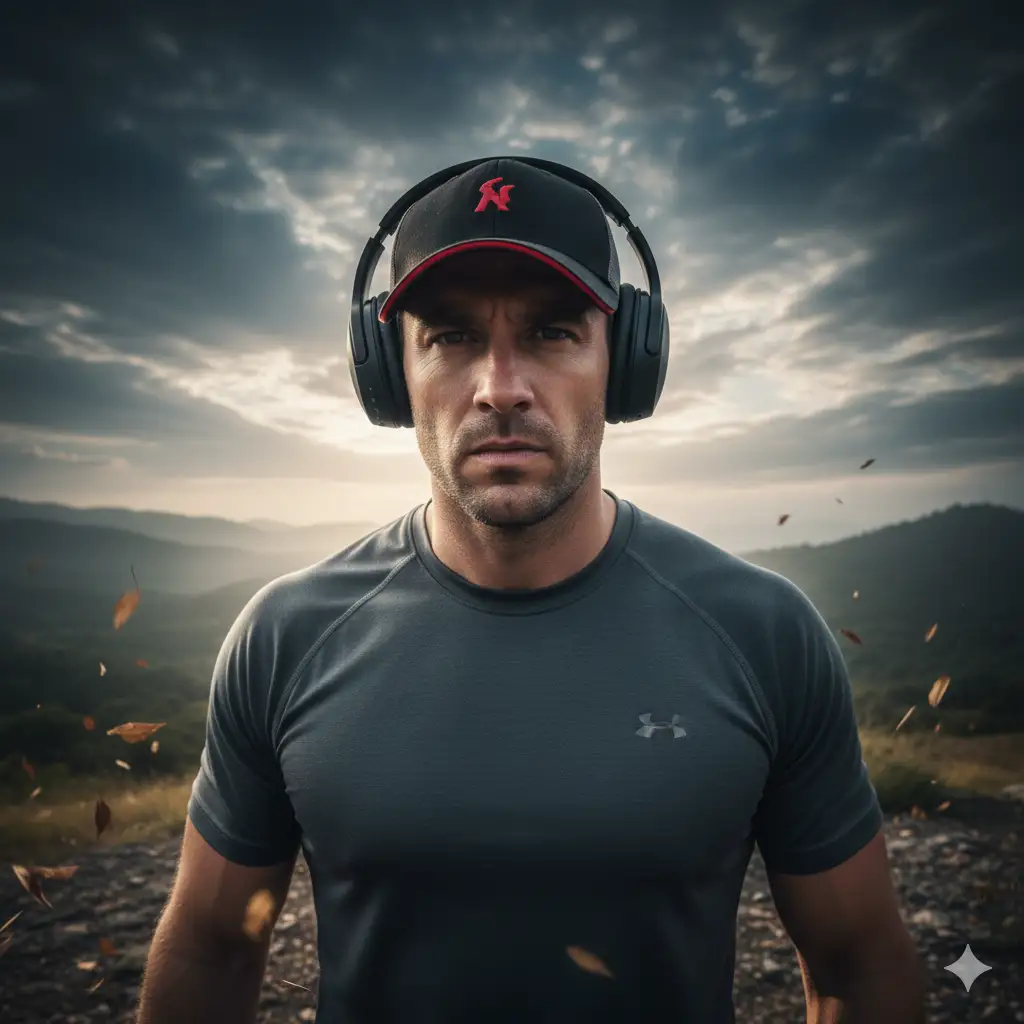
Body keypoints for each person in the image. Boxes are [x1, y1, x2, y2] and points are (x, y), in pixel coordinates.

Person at [135, 158, 925, 1023]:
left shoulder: (765, 633)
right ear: (387, 371)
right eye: (449, 335)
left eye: (553, 332)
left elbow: (858, 963)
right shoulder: (284, 637)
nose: (501, 389)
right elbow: (211, 950)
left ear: (624, 362)